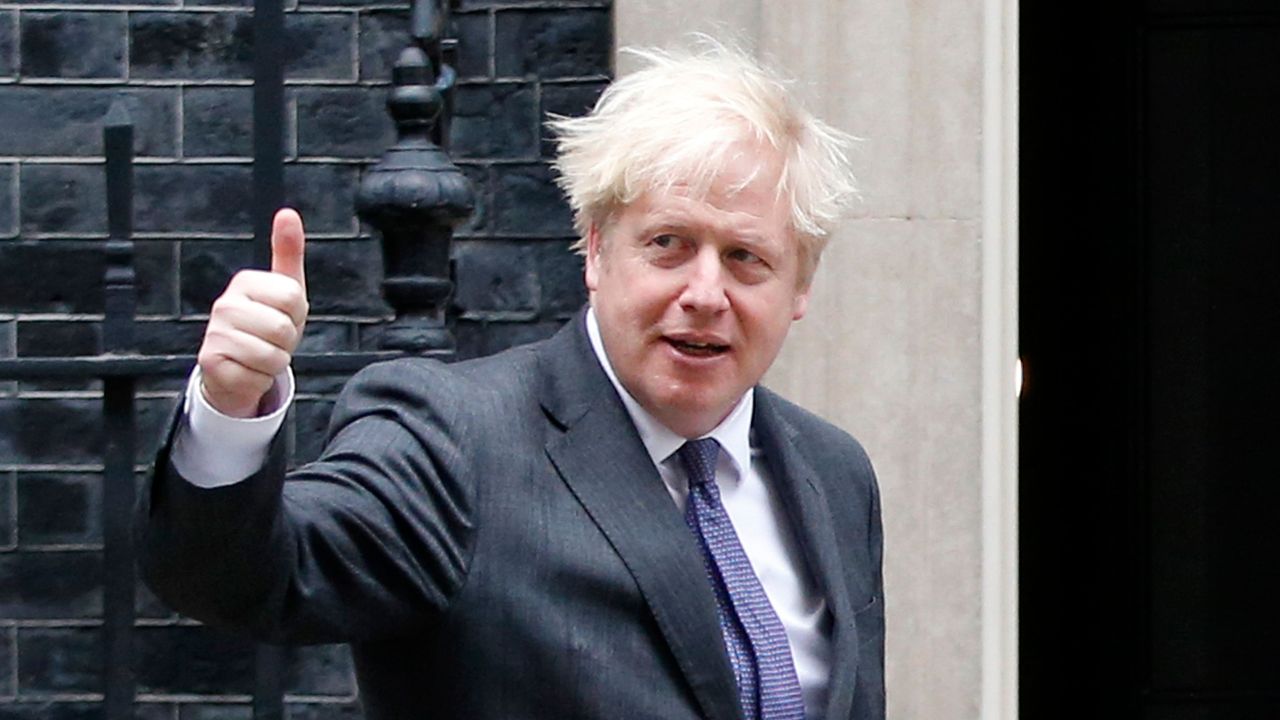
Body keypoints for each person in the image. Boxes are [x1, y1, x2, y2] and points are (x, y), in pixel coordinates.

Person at [138, 40, 885, 720]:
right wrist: (230, 411)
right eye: (668, 244)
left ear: (799, 289)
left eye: (746, 258)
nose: (704, 292)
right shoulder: (454, 441)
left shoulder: (834, 473)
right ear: (594, 252)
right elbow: (248, 577)